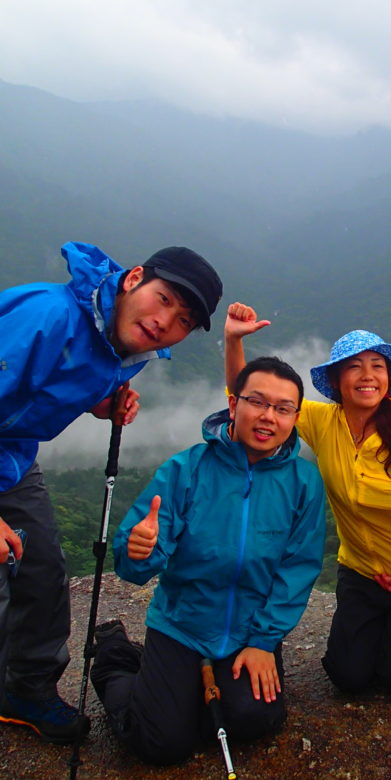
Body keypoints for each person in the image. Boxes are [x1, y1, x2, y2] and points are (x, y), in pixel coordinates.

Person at [0, 242, 222, 744]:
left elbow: (50, 382)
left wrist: (100, 403)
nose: (167, 322)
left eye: (184, 320)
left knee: (41, 570)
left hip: (12, 458)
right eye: (164, 299)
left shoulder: (127, 344)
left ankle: (26, 692)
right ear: (133, 278)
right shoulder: (47, 316)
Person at [90, 356, 325, 766]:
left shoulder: (303, 482)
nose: (269, 416)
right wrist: (138, 550)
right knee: (161, 744)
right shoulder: (186, 469)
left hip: (247, 629)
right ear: (233, 405)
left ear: (295, 417)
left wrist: (264, 641)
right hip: (183, 624)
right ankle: (115, 660)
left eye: (283, 408)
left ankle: (172, 686)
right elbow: (134, 564)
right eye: (258, 402)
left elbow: (297, 567)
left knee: (255, 719)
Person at [224, 304, 391, 693]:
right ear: (336, 380)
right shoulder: (323, 422)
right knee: (347, 677)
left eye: (377, 366)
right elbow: (247, 399)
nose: (368, 376)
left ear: (389, 378)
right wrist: (233, 341)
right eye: (354, 367)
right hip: (362, 573)